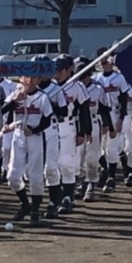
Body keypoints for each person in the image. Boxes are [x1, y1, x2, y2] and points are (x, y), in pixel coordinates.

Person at [2, 73, 53, 227]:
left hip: (35, 137)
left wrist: (35, 129)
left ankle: (35, 211)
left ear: (39, 80)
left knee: (35, 176)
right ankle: (25, 204)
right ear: (21, 79)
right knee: (12, 176)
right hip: (18, 136)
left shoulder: (42, 97)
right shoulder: (15, 94)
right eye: (26, 77)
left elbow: (47, 120)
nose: (30, 81)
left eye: (34, 77)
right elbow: (4, 110)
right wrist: (9, 121)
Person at [53, 54, 92, 214]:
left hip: (68, 126)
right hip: (51, 127)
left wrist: (83, 132)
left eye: (61, 70)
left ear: (69, 70)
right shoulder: (49, 86)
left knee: (67, 163)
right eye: (55, 70)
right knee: (52, 165)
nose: (57, 73)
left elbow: (84, 110)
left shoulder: (76, 87)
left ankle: (68, 197)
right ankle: (56, 197)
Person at [32, 55, 67, 219]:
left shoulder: (55, 89)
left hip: (51, 130)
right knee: (33, 170)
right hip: (32, 132)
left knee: (50, 168)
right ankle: (35, 205)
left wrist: (51, 105)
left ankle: (54, 202)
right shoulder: (28, 89)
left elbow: (64, 112)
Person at [74, 59, 113, 202]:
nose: (81, 78)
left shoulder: (97, 89)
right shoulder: (74, 87)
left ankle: (91, 184)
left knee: (91, 156)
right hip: (77, 124)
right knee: (78, 157)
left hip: (94, 122)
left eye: (83, 75)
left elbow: (104, 108)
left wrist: (108, 125)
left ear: (89, 75)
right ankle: (83, 182)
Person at [95, 52, 129, 192]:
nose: (104, 63)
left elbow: (124, 99)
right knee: (99, 149)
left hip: (115, 113)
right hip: (100, 115)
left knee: (111, 147)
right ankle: (107, 169)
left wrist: (121, 118)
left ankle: (111, 178)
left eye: (106, 60)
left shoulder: (119, 78)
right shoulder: (97, 79)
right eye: (101, 61)